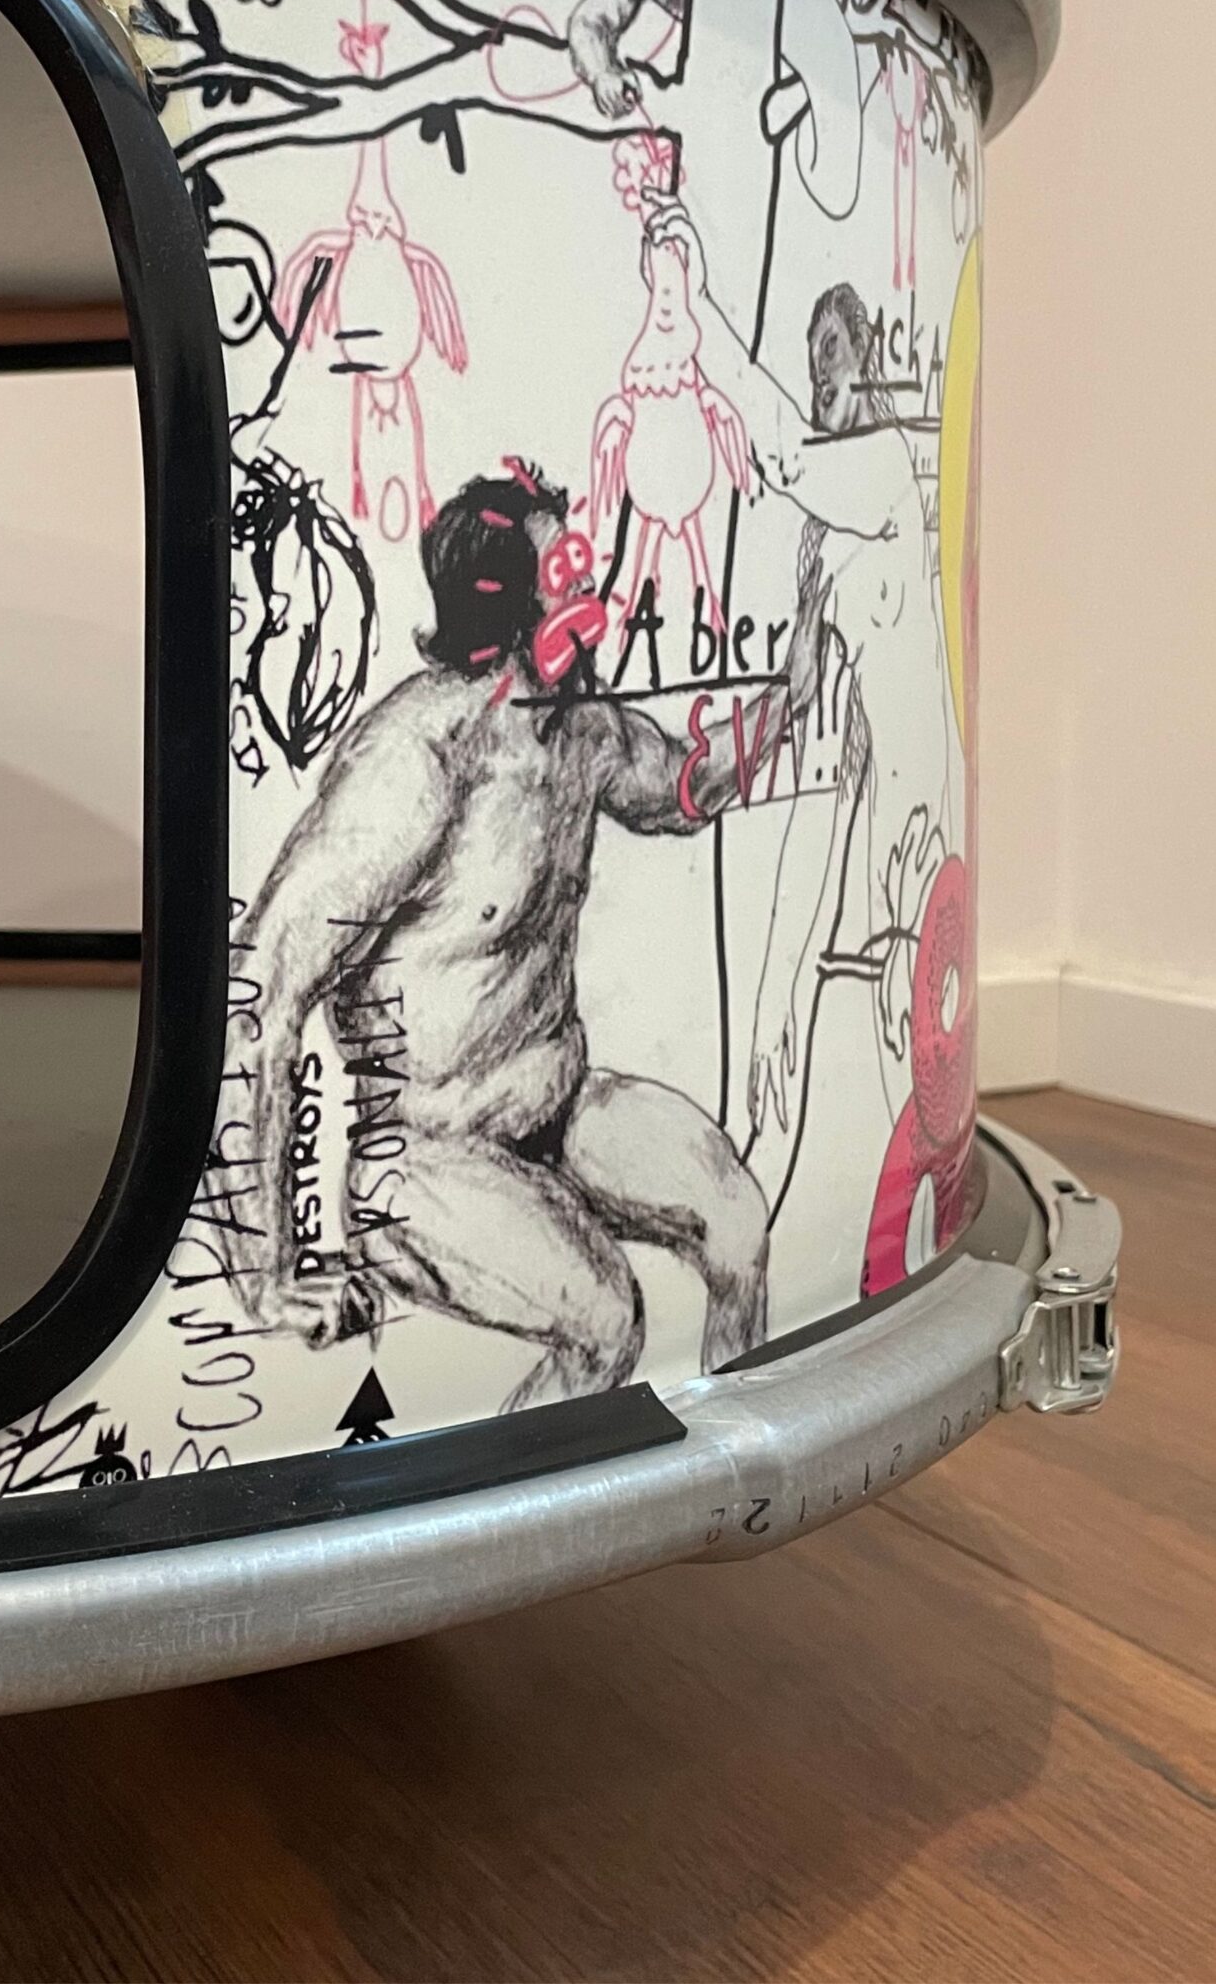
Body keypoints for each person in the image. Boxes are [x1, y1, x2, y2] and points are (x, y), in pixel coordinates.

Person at [234, 466, 771, 1410]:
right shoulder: (420, 756)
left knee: (735, 1222)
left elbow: (686, 785)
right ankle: (520, 1501)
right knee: (605, 1320)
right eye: (566, 572)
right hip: (424, 1163)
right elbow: (262, 989)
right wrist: (266, 1273)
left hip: (556, 1111)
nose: (591, 587)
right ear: (509, 604)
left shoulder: (581, 733)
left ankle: (741, 1461)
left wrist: (794, 688)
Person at [668, 196, 964, 1205]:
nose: (819, 371)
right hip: (842, 776)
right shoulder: (827, 521)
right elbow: (799, 679)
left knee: (878, 1016)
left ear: (866, 355)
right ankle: (759, 1169)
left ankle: (831, 1190)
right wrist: (725, 754)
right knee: (777, 990)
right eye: (811, 356)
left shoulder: (879, 469)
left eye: (831, 350)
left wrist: (698, 307)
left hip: (899, 793)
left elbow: (785, 452)